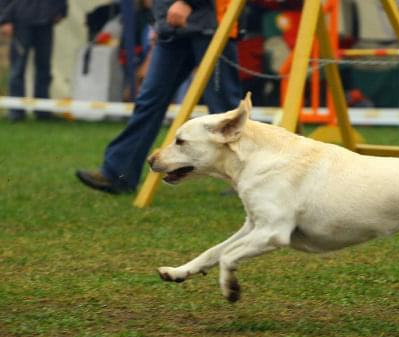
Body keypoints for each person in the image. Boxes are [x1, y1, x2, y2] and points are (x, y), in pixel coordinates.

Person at [76, 0, 242, 194]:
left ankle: (247, 178)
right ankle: (118, 174)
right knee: (148, 101)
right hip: (171, 28)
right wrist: (160, 22)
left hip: (209, 25)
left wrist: (187, 2)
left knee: (226, 112)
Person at [0, 0, 68, 121]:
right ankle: (16, 111)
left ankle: (43, 110)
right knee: (18, 68)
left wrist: (61, 10)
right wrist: (5, 20)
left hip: (46, 20)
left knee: (44, 68)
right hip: (20, 20)